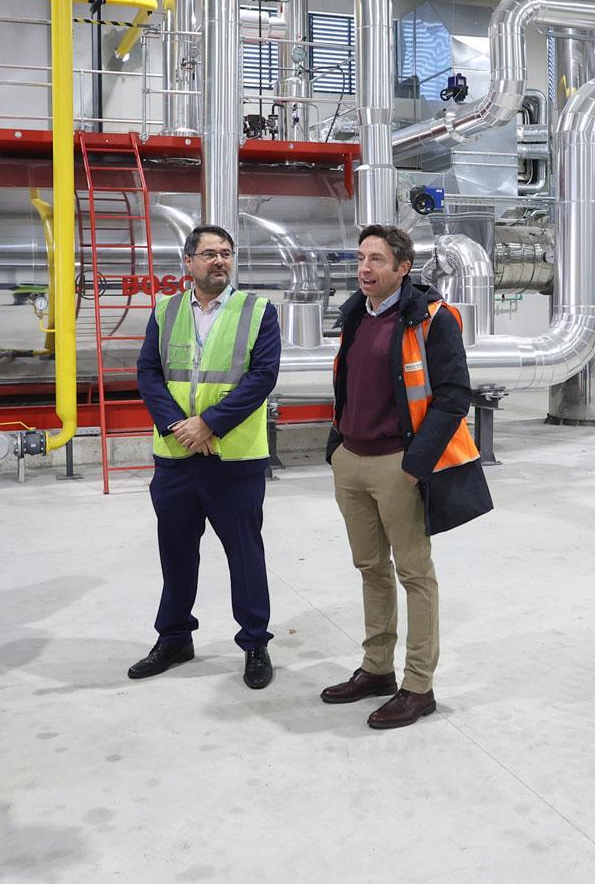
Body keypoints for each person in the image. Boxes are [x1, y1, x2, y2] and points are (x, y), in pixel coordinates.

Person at [321, 224, 490, 730]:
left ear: (403, 268)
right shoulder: (355, 314)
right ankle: (377, 669)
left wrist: (415, 467)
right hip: (351, 460)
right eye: (360, 258)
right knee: (370, 568)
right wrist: (337, 449)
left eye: (376, 259)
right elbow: (349, 384)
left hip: (399, 465)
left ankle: (419, 686)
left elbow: (454, 396)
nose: (365, 268)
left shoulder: (432, 318)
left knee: (414, 575)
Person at [129, 225, 281, 689]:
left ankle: (255, 642)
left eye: (226, 254)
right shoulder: (165, 310)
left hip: (233, 461)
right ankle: (174, 637)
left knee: (244, 555)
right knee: (175, 555)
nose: (219, 261)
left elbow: (262, 376)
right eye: (209, 254)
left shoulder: (258, 311)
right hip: (176, 458)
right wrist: (180, 425)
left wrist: (210, 423)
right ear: (189, 261)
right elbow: (149, 372)